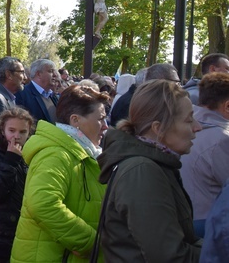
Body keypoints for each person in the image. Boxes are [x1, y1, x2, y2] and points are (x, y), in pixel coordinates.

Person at [97, 79, 202, 261]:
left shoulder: (151, 164)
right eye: (188, 120)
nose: (197, 127)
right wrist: (217, 252)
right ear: (158, 128)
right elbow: (169, 256)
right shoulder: (142, 170)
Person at [11, 85, 109, 262]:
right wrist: (88, 241)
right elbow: (42, 204)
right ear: (75, 120)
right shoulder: (56, 154)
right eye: (100, 119)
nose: (105, 126)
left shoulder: (75, 151)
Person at [0, 107, 35, 262]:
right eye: (12, 130)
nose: (16, 136)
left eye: (23, 132)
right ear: (2, 130)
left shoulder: (28, 152)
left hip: (20, 230)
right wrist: (10, 160)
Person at [181, 72, 229, 233]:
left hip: (186, 218)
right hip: (209, 224)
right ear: (227, 106)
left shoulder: (182, 124)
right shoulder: (222, 139)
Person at [109, 63, 180, 127]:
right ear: (160, 82)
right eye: (175, 82)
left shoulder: (140, 99)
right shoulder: (136, 103)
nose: (179, 87)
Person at [15, 58, 59, 124]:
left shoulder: (52, 95)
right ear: (39, 74)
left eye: (54, 71)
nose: (55, 75)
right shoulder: (22, 94)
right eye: (50, 71)